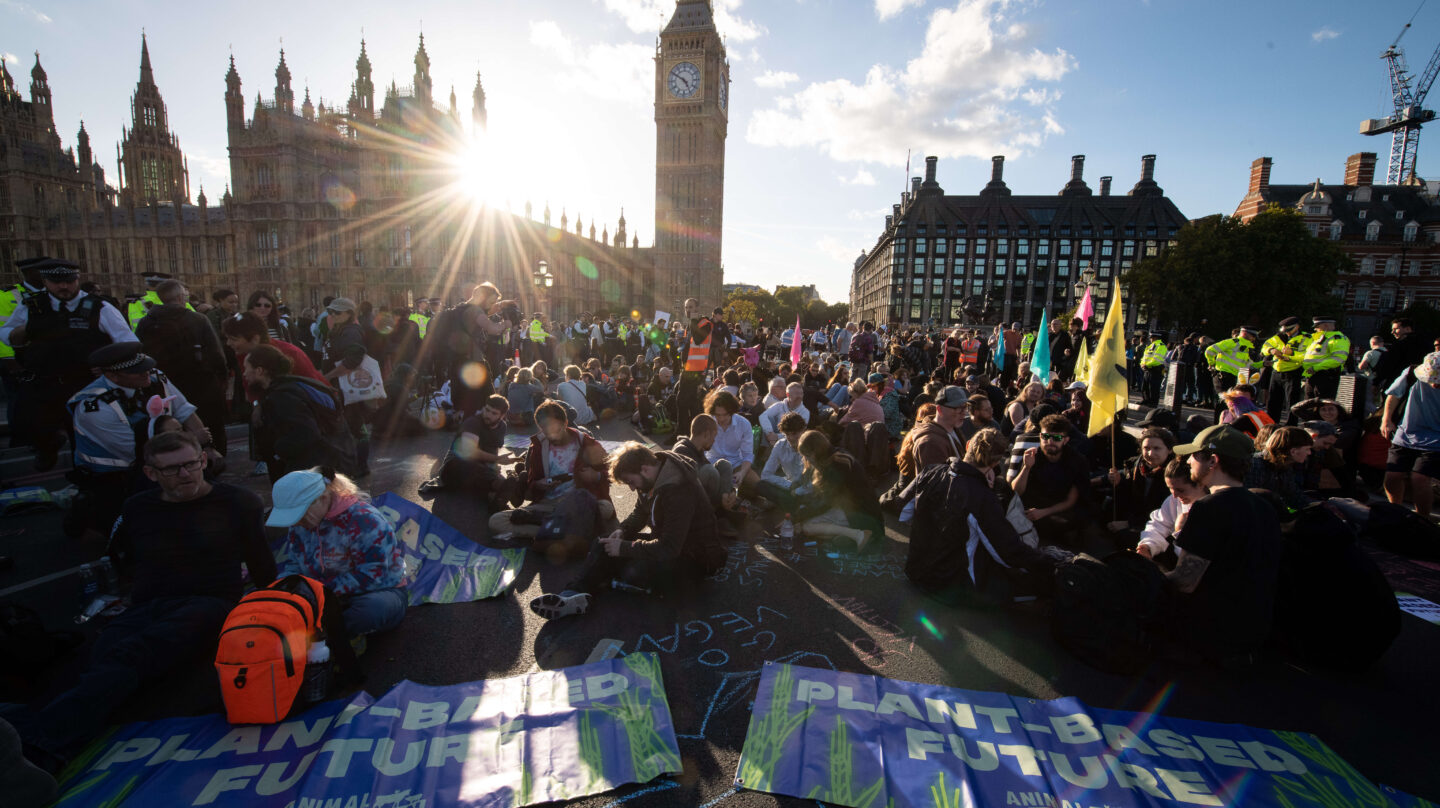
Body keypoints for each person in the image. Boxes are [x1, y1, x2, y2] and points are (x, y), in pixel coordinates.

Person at [13, 431, 275, 766]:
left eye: (191, 464)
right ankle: (35, 727)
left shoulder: (238, 502)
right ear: (151, 473)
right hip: (148, 604)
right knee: (100, 654)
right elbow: (123, 555)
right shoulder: (138, 507)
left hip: (209, 603)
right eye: (171, 469)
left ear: (203, 460)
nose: (185, 474)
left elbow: (262, 564)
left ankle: (40, 745)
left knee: (131, 655)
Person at [528, 443, 724, 620]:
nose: (631, 488)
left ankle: (612, 579)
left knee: (634, 570)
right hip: (671, 545)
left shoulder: (679, 490)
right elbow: (640, 512)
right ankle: (572, 597)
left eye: (631, 481)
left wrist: (623, 548)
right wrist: (622, 531)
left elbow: (669, 548)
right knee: (603, 542)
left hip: (696, 558)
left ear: (645, 469)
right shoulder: (652, 477)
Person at [0, 258, 137, 470]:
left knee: (83, 434)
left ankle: (84, 477)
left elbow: (128, 342)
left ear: (77, 279)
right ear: (45, 281)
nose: (64, 286)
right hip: (44, 381)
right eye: (56, 282)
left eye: (69, 281)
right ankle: (48, 446)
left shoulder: (99, 307)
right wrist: (19, 333)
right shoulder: (32, 305)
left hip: (85, 383)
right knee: (27, 424)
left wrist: (109, 363)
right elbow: (7, 333)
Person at [65, 342, 213, 536]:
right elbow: (143, 453)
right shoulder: (94, 407)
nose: (146, 373)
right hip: (116, 477)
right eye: (136, 371)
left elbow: (184, 410)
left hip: (159, 461)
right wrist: (194, 440)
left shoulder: (154, 378)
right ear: (112, 375)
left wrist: (208, 448)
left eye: (145, 366)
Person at [1164, 424, 1283, 665]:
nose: (1187, 462)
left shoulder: (1209, 508)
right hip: (1255, 631)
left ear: (1213, 460)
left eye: (1194, 455)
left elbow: (1186, 583)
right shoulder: (1264, 506)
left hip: (1212, 635)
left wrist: (1147, 574)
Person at [904, 427, 1065, 604]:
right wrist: (1049, 564)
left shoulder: (930, 472)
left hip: (916, 569)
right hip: (949, 584)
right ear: (995, 464)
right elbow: (1007, 552)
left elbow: (903, 510)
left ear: (967, 446)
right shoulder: (982, 497)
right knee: (1028, 584)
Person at [268, 469, 406, 639]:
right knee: (268, 605)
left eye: (300, 514)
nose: (296, 522)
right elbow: (294, 562)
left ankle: (327, 636)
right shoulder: (301, 524)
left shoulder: (364, 520)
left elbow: (373, 576)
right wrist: (283, 589)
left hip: (376, 592)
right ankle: (327, 633)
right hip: (321, 596)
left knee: (370, 610)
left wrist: (318, 594)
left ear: (324, 498)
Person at [488, 401, 613, 544]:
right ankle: (565, 530)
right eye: (546, 432)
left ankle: (550, 529)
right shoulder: (538, 446)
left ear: (565, 423)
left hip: (578, 504)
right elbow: (531, 484)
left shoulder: (584, 441)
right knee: (496, 521)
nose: (552, 437)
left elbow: (610, 471)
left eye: (556, 431)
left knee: (606, 508)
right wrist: (539, 485)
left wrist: (595, 475)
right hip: (548, 504)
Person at [135, 280, 229, 456]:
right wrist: (221, 382)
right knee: (211, 429)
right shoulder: (198, 320)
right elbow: (216, 356)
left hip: (165, 390)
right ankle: (212, 463)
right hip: (202, 388)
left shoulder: (145, 323)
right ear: (179, 297)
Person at [246, 344, 359, 481]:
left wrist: (277, 451)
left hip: (316, 470)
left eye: (247, 368)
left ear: (259, 371)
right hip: (333, 461)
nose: (244, 374)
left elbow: (304, 435)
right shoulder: (295, 385)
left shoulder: (282, 397)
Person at [1012, 413, 1092, 548]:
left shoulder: (1077, 461)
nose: (1050, 442)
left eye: (1056, 438)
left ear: (1065, 440)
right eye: (1046, 437)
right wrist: (1026, 467)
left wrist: (1043, 513)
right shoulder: (1033, 456)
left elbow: (1071, 500)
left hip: (1058, 509)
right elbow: (1016, 491)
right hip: (1032, 509)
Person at [792, 430, 882, 551]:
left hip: (860, 513)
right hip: (853, 508)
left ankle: (858, 535)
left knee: (807, 527)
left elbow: (826, 501)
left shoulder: (837, 464)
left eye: (806, 455)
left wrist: (797, 517)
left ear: (814, 452)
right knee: (816, 530)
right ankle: (850, 536)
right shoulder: (834, 455)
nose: (806, 459)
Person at [424, 395, 520, 501]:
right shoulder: (473, 422)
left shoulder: (502, 426)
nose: (488, 415)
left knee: (483, 473)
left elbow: (492, 450)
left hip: (480, 469)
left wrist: (494, 465)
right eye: (487, 410)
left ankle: (497, 496)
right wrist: (497, 459)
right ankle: (503, 489)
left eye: (494, 413)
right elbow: (470, 452)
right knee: (468, 465)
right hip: (454, 468)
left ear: (502, 416)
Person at [1382, 351, 1440, 517]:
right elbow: (1393, 395)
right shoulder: (1411, 373)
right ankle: (1396, 512)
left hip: (1436, 437)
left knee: (1419, 478)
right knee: (1392, 476)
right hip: (1407, 432)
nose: (1435, 385)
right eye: (1432, 380)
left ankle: (1423, 518)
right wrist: (1386, 419)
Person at [1106, 427, 1175, 534]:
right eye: (1146, 448)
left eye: (1157, 448)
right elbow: (1127, 498)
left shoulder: (1175, 475)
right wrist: (1118, 483)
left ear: (1169, 450)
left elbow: (1165, 513)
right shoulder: (1134, 467)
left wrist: (1129, 523)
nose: (1150, 453)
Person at [1135, 458, 1207, 559]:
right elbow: (1159, 525)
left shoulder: (1214, 507)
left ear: (1200, 484)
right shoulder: (1174, 501)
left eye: (1180, 490)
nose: (1174, 495)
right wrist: (1147, 546)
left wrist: (1182, 530)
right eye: (1170, 488)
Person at [704, 390, 759, 492]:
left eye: (725, 414)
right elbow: (699, 450)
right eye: (717, 415)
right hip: (712, 464)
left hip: (736, 463)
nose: (721, 418)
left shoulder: (744, 424)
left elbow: (747, 454)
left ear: (732, 411)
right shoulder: (707, 422)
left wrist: (742, 473)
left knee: (757, 485)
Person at [1204, 326, 1261, 419]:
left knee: (1228, 403)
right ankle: (1218, 426)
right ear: (1245, 334)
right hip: (1222, 376)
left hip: (1232, 378)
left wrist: (1264, 363)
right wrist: (1212, 364)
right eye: (1253, 336)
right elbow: (1210, 350)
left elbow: (1251, 364)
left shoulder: (1245, 348)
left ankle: (1225, 423)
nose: (1254, 339)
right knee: (1223, 402)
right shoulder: (1232, 342)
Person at [675, 298, 713, 437]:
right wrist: (679, 343)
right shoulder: (690, 325)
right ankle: (682, 432)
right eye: (686, 307)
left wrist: (693, 321)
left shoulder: (705, 323)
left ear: (698, 308)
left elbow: (698, 339)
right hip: (687, 368)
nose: (688, 310)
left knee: (692, 403)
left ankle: (693, 434)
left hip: (697, 370)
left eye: (691, 307)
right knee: (682, 401)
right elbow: (689, 346)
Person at [1261, 317, 1307, 423]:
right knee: (1272, 402)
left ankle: (1290, 427)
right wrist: (1271, 350)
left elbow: (1307, 355)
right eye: (1285, 330)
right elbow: (1265, 346)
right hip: (1276, 372)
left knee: (1292, 402)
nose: (1287, 333)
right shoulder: (1279, 336)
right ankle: (1271, 425)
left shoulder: (1306, 338)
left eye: (1289, 330)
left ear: (1297, 327)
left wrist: (1291, 355)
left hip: (1293, 372)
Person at [911, 386, 968, 470]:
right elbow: (939, 481)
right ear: (939, 409)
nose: (964, 413)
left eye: (965, 407)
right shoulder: (930, 443)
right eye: (958, 408)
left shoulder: (953, 428)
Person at [1301, 316, 1350, 400]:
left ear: (1326, 325)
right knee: (1309, 405)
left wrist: (1316, 367)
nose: (1315, 329)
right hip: (1312, 375)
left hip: (1326, 376)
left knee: (1322, 404)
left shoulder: (1337, 338)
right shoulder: (1317, 338)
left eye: (1317, 327)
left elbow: (1338, 358)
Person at [1140, 332, 1167, 407]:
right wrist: (1142, 364)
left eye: (1151, 337)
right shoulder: (1151, 346)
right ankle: (1146, 400)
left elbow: (1157, 359)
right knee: (1145, 386)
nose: (1150, 339)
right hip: (1147, 368)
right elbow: (1145, 357)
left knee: (1154, 387)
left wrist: (1147, 365)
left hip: (1155, 369)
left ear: (1155, 337)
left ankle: (1153, 403)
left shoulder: (1161, 346)